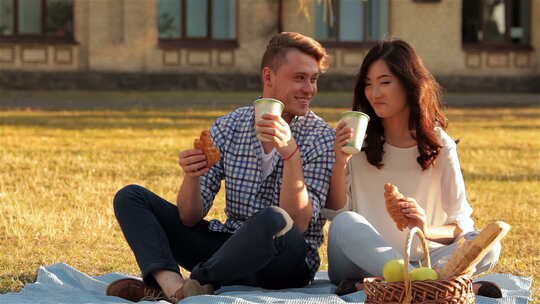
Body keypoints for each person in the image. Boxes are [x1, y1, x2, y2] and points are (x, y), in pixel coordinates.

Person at [106, 32, 335, 303]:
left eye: (314, 79)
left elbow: (296, 223)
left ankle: (197, 281)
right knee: (131, 197)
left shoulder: (321, 137)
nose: (310, 89)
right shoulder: (230, 126)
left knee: (274, 219)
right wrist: (192, 177)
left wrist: (291, 156)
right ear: (269, 77)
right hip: (228, 251)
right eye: (300, 78)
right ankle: (172, 286)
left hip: (285, 262)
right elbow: (190, 218)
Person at [324, 39, 503, 298]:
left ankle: (394, 285)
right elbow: (337, 214)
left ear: (409, 84)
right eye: (368, 84)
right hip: (358, 262)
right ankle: (429, 285)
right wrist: (340, 161)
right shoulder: (356, 141)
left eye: (385, 82)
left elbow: (460, 225)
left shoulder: (440, 144)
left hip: (425, 259)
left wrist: (425, 229)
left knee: (488, 245)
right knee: (344, 222)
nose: (374, 93)